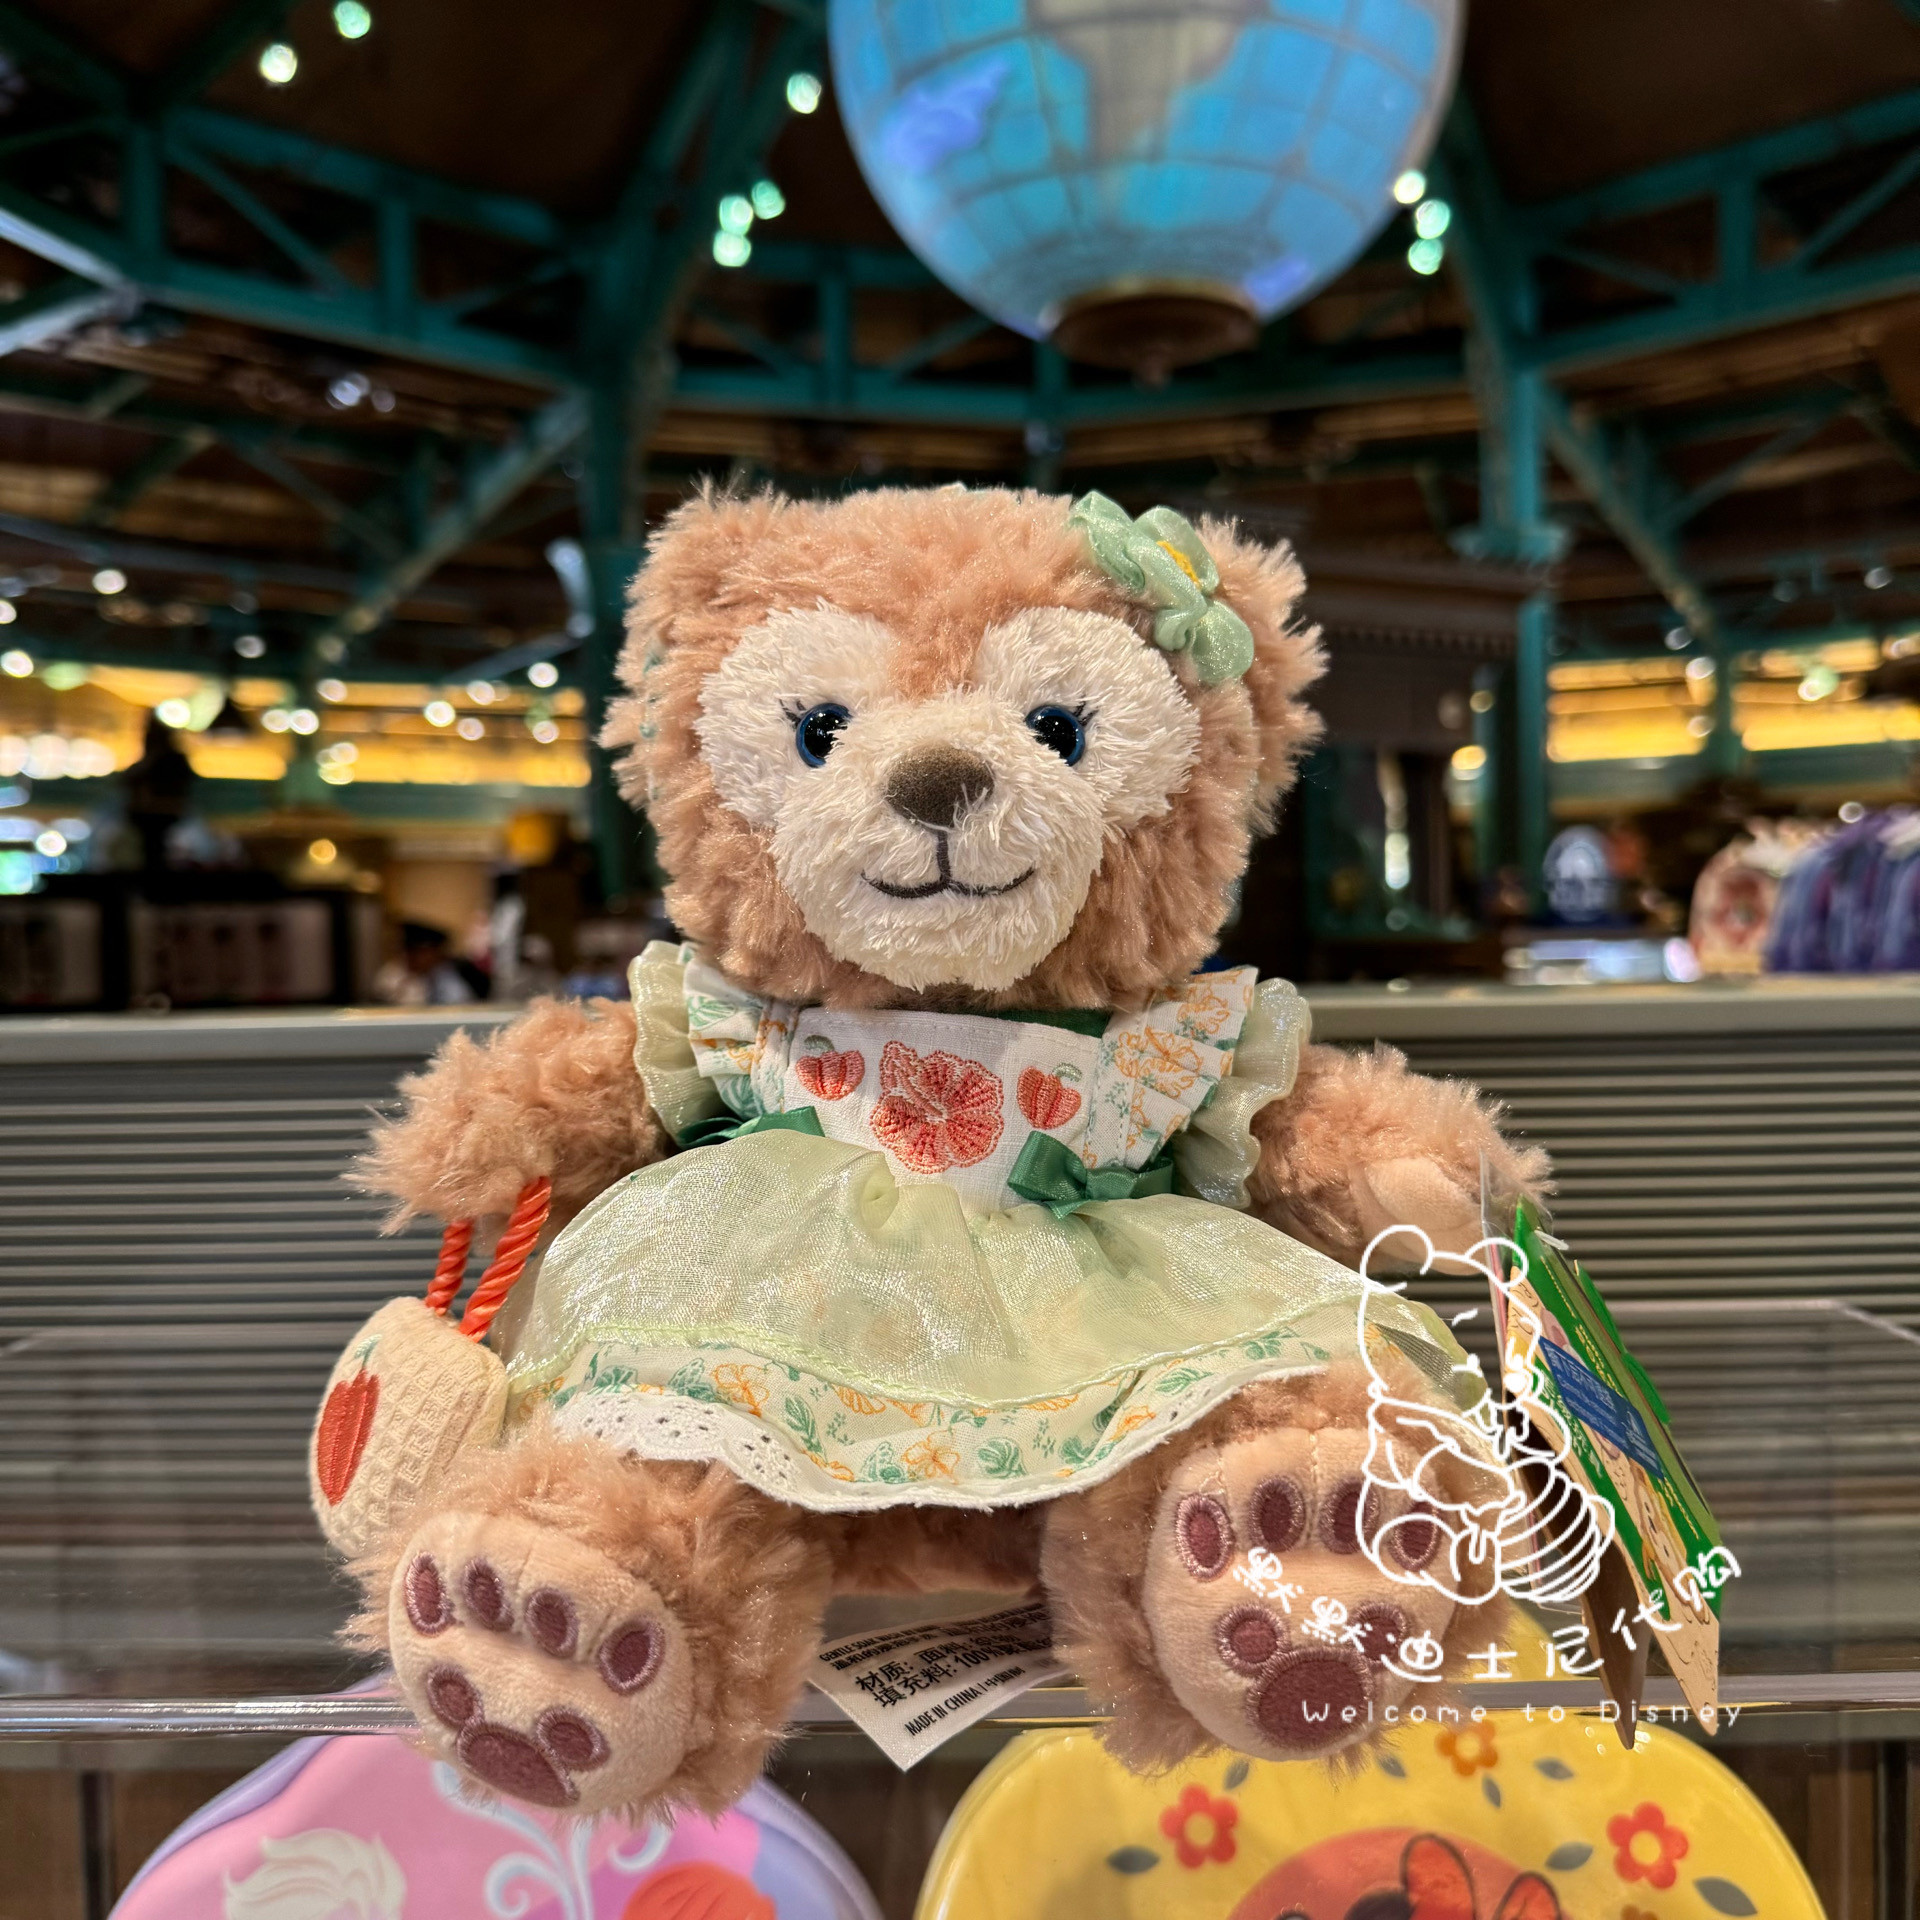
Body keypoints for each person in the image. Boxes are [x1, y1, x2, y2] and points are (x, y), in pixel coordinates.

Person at [372, 921, 488, 1006]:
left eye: (416, 953)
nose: (409, 958)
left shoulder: (449, 980)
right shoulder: (393, 975)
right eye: (408, 952)